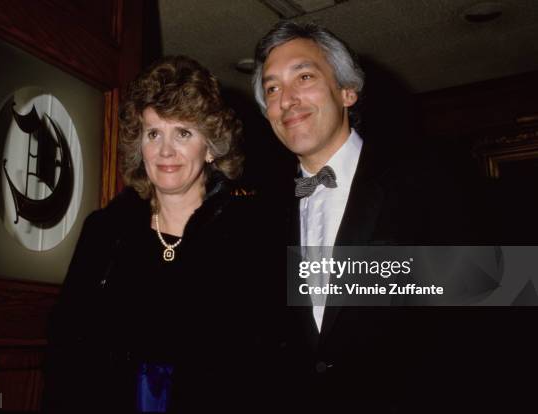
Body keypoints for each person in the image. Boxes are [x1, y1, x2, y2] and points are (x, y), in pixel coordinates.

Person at [252, 21, 538, 414]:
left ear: (347, 91)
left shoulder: (429, 176)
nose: (286, 99)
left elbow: (493, 307)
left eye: (304, 76)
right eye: (272, 88)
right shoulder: (263, 214)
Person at [43, 55, 261, 413]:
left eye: (184, 133)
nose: (165, 151)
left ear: (209, 148)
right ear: (139, 144)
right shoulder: (104, 233)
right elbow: (65, 349)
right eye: (153, 133)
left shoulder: (250, 235)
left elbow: (266, 363)